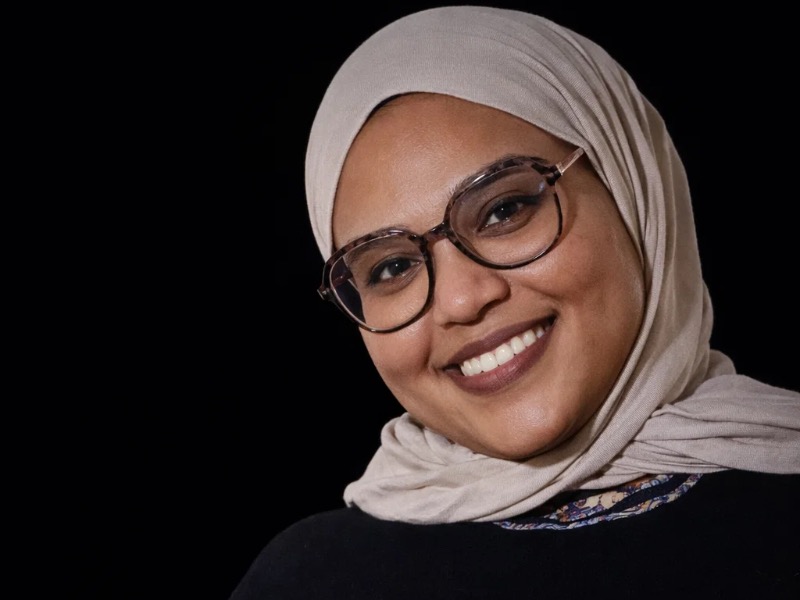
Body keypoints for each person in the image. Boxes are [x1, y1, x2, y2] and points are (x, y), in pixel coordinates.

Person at [230, 5, 800, 598]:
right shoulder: (312, 580)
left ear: (631, 185)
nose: (460, 300)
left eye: (504, 211)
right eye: (392, 267)